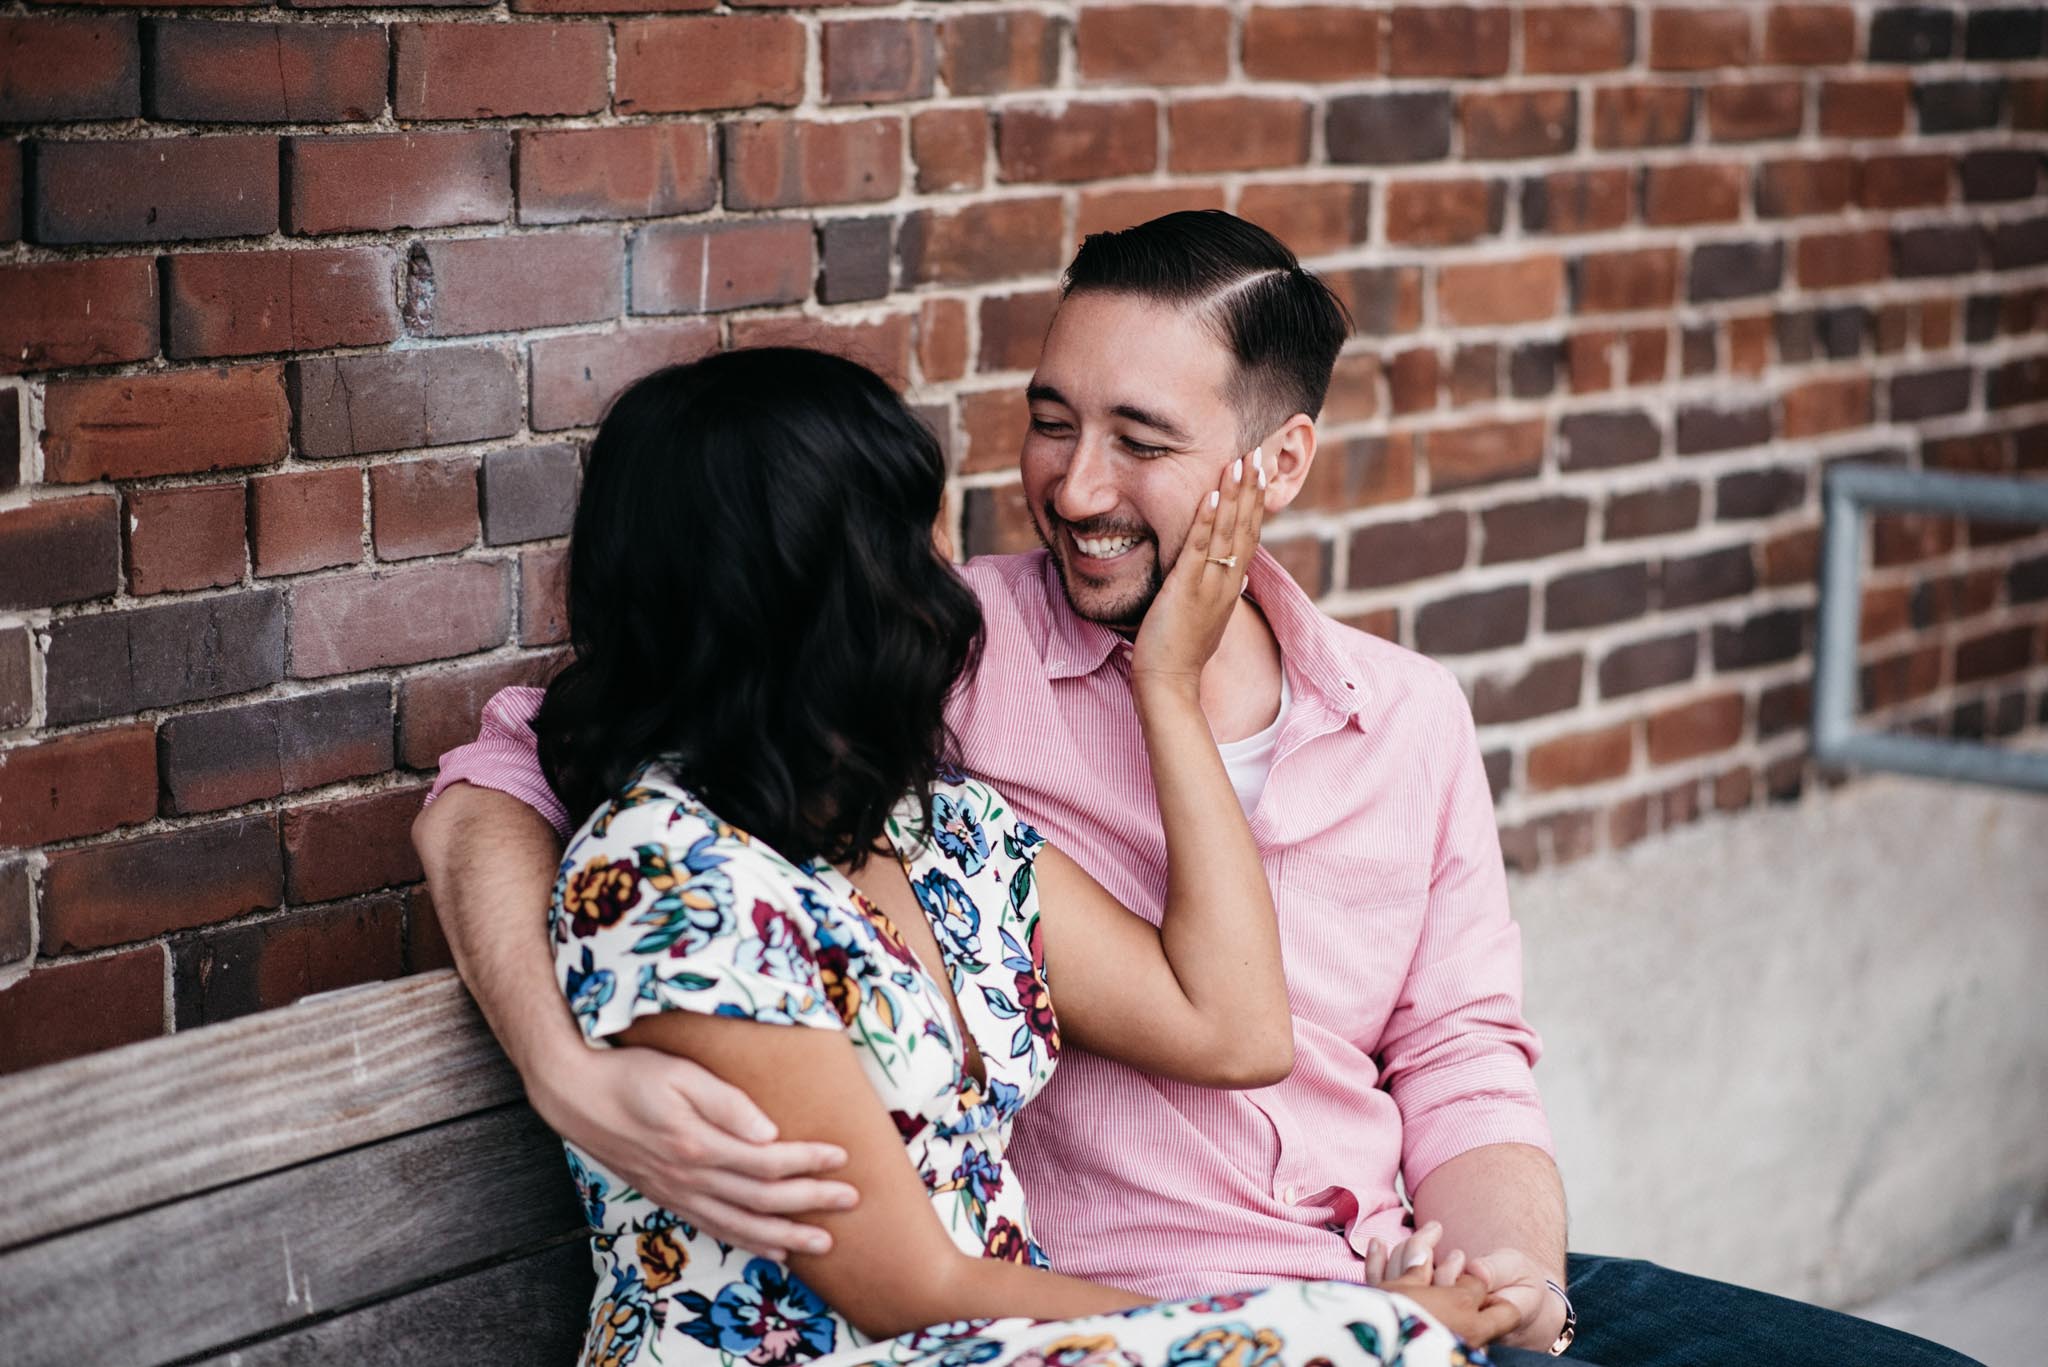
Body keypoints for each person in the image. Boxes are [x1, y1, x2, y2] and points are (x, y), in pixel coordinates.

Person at [416, 212, 1973, 1367]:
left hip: (1385, 1271)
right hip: (1142, 1308)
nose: (1073, 487)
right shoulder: (917, 672)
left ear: (1275, 464)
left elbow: (1458, 1047)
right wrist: (560, 1062)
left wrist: (1502, 1270)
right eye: (1047, 421)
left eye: (1140, 440)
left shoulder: (1407, 716)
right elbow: (513, 773)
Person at [522, 345, 1511, 1364]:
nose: (944, 570)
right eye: (908, 534)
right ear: (807, 581)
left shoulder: (938, 828)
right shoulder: (668, 871)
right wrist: (1331, 1326)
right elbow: (909, 1285)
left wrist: (1163, 685)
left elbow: (1233, 1026)